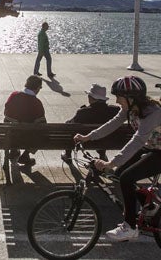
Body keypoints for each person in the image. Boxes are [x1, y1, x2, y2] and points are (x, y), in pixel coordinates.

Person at [74, 76, 161, 242]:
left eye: (119, 96)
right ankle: (148, 205)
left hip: (158, 152)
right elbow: (112, 123)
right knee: (119, 174)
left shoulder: (154, 113)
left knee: (127, 177)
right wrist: (88, 137)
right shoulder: (130, 108)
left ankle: (130, 227)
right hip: (152, 147)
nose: (116, 100)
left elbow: (137, 141)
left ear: (130, 97)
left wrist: (110, 162)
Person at [62, 84, 120, 161]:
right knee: (104, 132)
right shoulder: (115, 110)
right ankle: (102, 155)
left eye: (89, 96)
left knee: (69, 129)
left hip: (85, 142)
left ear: (91, 98)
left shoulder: (83, 112)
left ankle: (68, 155)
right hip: (108, 141)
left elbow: (69, 125)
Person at [4, 75, 47, 166]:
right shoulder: (37, 103)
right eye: (40, 87)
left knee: (12, 125)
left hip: (10, 136)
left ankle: (13, 151)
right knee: (40, 132)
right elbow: (43, 125)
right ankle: (25, 155)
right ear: (37, 88)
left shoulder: (13, 95)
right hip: (27, 139)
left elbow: (6, 114)